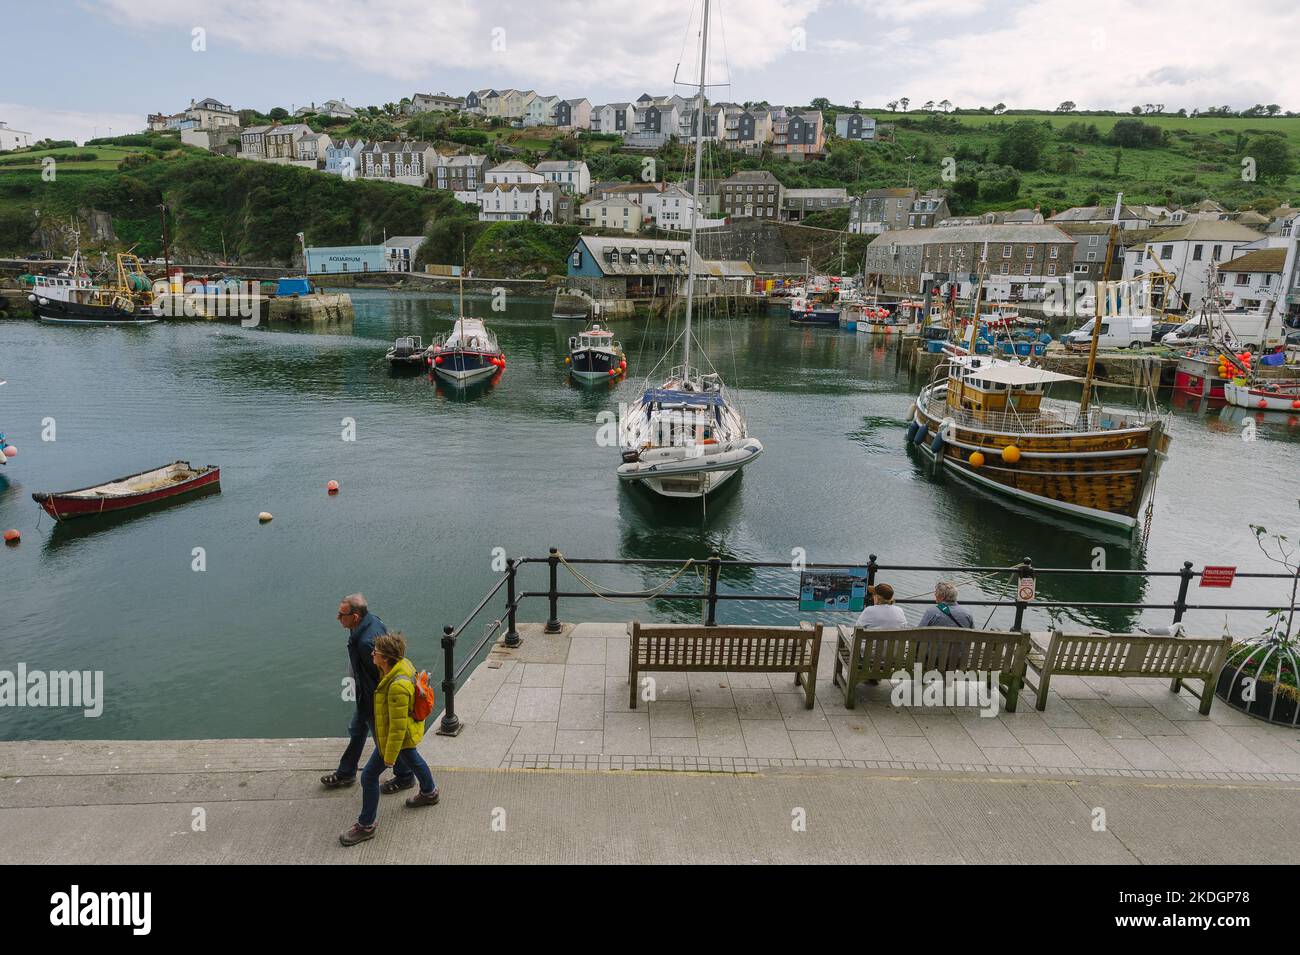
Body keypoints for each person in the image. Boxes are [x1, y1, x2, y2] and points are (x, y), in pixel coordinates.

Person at [340, 632, 440, 846]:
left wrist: (389, 758)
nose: (372, 653)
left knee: (368, 776)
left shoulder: (396, 687)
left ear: (385, 658)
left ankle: (366, 826)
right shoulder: (401, 665)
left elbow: (397, 726)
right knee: (413, 759)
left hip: (397, 736)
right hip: (403, 734)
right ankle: (430, 792)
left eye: (375, 652)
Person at [320, 593, 414, 793]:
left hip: (373, 700)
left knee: (385, 739)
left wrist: (381, 704)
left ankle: (405, 776)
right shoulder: (369, 622)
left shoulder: (366, 642)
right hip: (366, 696)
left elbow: (382, 674)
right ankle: (346, 773)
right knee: (357, 730)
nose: (338, 618)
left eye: (341, 614)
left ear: (355, 617)